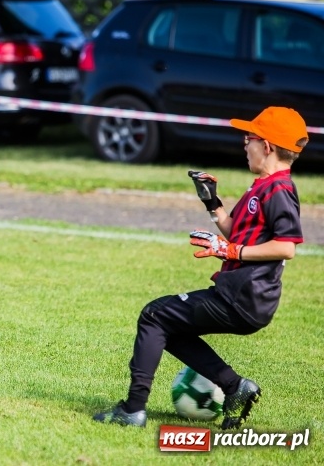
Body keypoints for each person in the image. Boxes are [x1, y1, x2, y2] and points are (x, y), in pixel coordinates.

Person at [93, 106, 308, 428]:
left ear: (266, 146)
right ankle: (236, 387)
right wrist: (212, 202)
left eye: (248, 138)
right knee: (168, 327)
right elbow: (238, 231)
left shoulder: (279, 189)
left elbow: (286, 246)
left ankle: (132, 409)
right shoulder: (262, 186)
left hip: (244, 295)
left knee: (154, 315)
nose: (244, 144)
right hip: (241, 293)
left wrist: (231, 249)